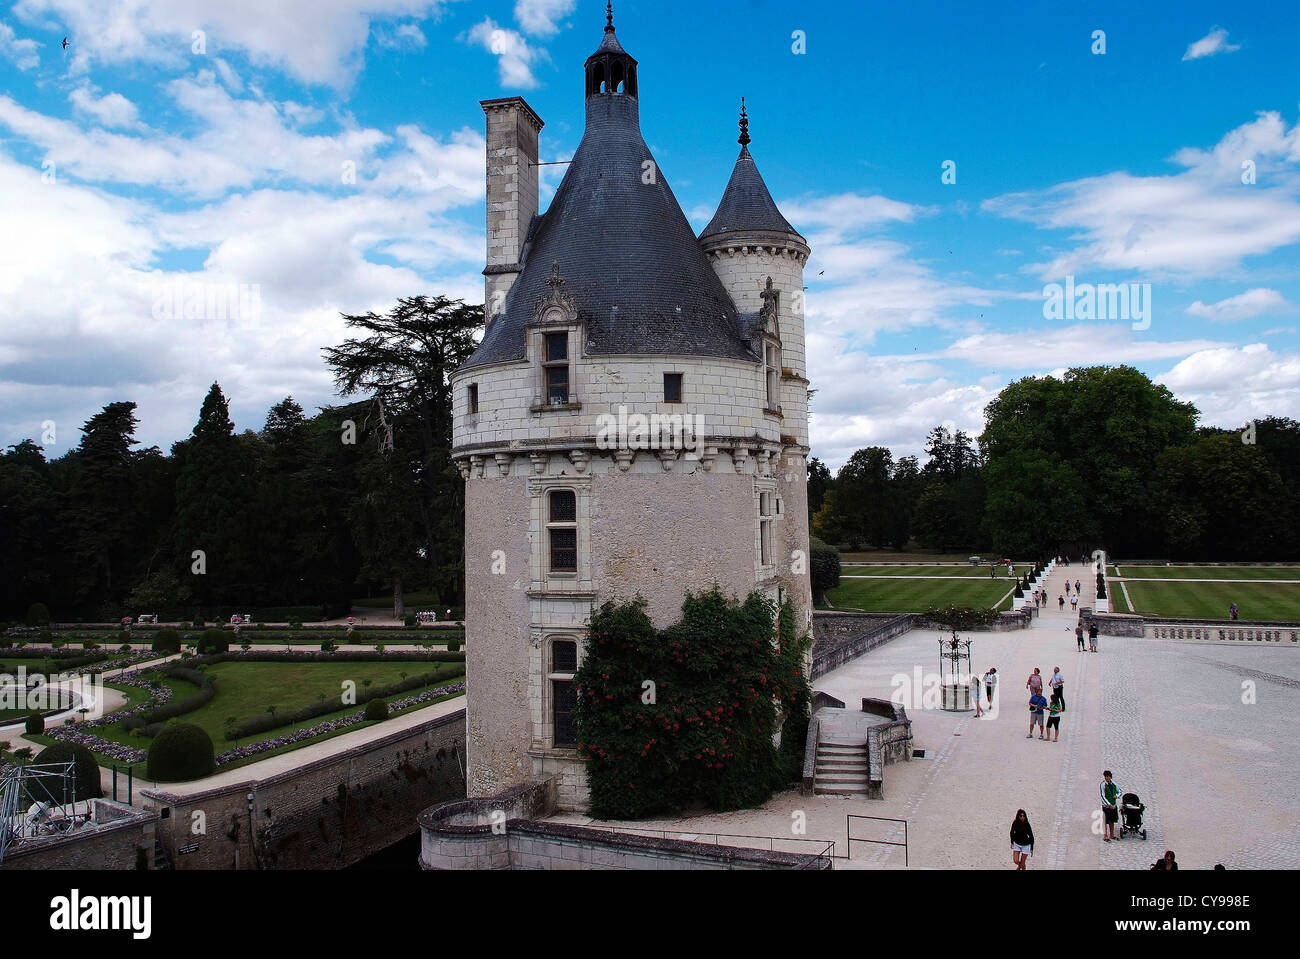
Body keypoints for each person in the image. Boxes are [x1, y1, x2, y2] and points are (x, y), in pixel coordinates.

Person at [1100, 771, 1121, 841]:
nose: (1106, 778)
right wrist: (1109, 804)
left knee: (1112, 820)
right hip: (1106, 806)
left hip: (1113, 804)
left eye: (1108, 776)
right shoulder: (1103, 785)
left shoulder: (1114, 784)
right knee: (1105, 820)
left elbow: (1119, 791)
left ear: (1110, 777)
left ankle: (1112, 834)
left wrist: (1117, 796)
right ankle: (1105, 835)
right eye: (1105, 776)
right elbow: (1102, 796)